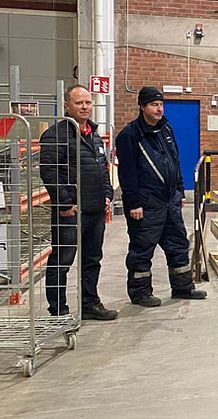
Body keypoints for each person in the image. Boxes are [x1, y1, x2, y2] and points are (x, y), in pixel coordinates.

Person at [115, 86, 207, 307]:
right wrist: (134, 203)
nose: (159, 109)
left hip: (169, 201)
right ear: (142, 107)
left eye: (161, 104)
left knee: (177, 244)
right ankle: (140, 293)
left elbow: (174, 161)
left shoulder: (166, 130)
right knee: (142, 248)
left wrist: (179, 190)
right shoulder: (130, 135)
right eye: (154, 105)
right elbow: (127, 174)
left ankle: (183, 288)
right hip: (146, 203)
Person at [39, 84, 118, 320]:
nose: (85, 107)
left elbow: (103, 168)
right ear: (67, 105)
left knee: (92, 260)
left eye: (88, 102)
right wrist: (64, 204)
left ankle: (90, 304)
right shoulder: (56, 134)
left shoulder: (93, 134)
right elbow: (50, 172)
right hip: (70, 211)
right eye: (79, 103)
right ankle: (58, 310)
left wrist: (107, 194)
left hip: (94, 209)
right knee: (62, 260)